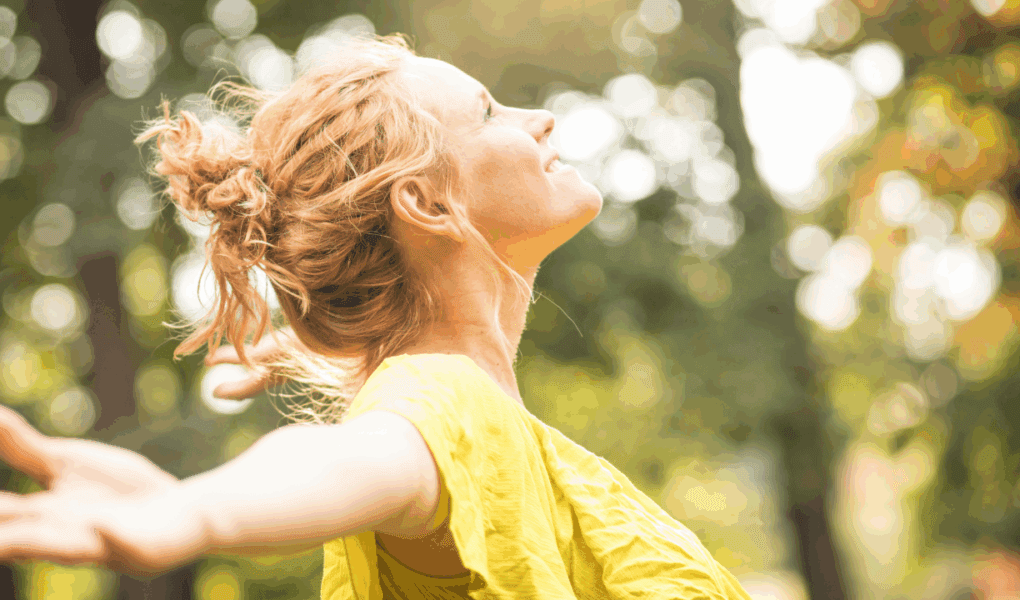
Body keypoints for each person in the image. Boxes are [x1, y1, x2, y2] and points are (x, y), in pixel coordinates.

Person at [0, 35, 752, 599]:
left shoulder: (482, 422)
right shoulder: (444, 404)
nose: (542, 119)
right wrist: (191, 510)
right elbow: (351, 457)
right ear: (426, 204)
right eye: (488, 112)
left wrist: (294, 353)